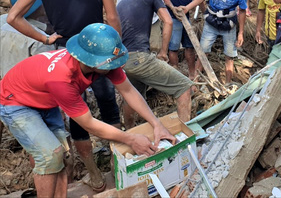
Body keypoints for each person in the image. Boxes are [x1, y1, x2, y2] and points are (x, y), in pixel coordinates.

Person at [7, 0, 122, 192]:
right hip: (100, 54)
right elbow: (113, 17)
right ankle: (120, 166)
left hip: (67, 57)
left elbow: (13, 17)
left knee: (77, 115)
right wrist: (114, 53)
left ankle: (93, 174)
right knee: (108, 103)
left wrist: (46, 39)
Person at [0, 23, 175, 198]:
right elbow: (89, 124)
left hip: (43, 97)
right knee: (49, 156)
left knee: (63, 156)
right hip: (15, 102)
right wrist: (131, 139)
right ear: (90, 60)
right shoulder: (62, 78)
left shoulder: (105, 63)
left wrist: (156, 124)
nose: (114, 66)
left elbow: (128, 91)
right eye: (109, 63)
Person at [117, 0, 193, 127]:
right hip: (141, 57)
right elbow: (168, 21)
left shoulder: (120, 4)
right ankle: (185, 138)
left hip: (125, 60)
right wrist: (163, 52)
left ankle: (130, 132)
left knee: (132, 98)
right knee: (185, 88)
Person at [180, 0, 247, 84]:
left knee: (229, 56)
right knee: (202, 52)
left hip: (228, 25)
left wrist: (241, 33)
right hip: (211, 22)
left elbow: (242, 12)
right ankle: (195, 81)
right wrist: (188, 7)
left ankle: (227, 83)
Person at [162, 0, 203, 78]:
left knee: (189, 47)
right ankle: (177, 76)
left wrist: (205, 12)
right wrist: (172, 8)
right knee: (173, 47)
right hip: (173, 16)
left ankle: (192, 75)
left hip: (186, 17)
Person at [1, 0, 54, 78]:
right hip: (26, 88)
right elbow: (47, 72)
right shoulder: (41, 40)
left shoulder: (3, 25)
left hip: (5, 84)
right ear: (37, 8)